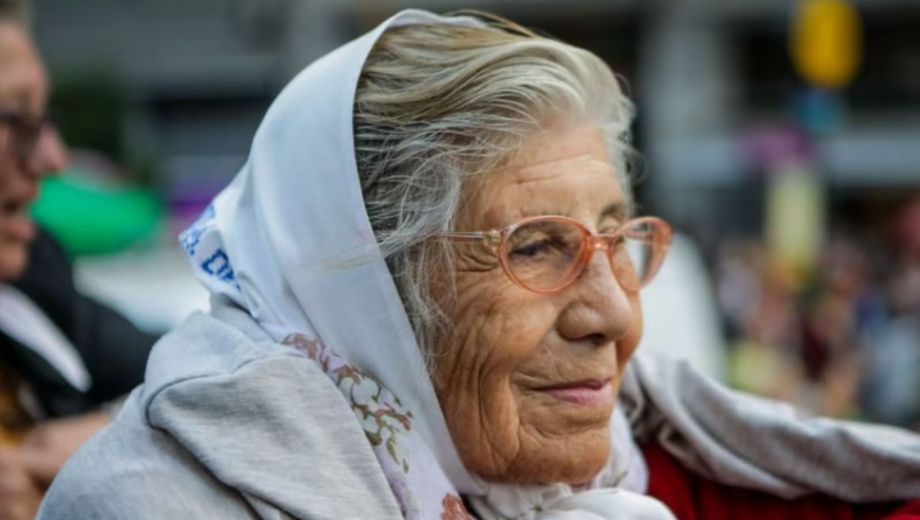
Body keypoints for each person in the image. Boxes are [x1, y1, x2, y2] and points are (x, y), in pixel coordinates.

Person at [40, 9, 920, 519]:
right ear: (365, 287)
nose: (614, 318)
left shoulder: (655, 464)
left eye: (618, 241)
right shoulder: (154, 504)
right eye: (537, 247)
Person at [0, 1, 156, 518]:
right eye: (15, 118)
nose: (53, 159)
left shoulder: (31, 276)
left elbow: (194, 373)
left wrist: (116, 434)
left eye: (44, 120)